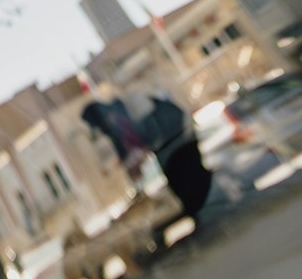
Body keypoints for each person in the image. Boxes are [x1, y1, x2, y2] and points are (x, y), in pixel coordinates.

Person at [82, 92, 213, 219]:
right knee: (177, 181)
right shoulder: (114, 126)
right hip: (168, 148)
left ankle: (204, 208)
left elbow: (154, 131)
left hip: (179, 137)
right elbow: (123, 149)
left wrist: (141, 153)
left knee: (188, 176)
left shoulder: (132, 105)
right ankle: (197, 210)